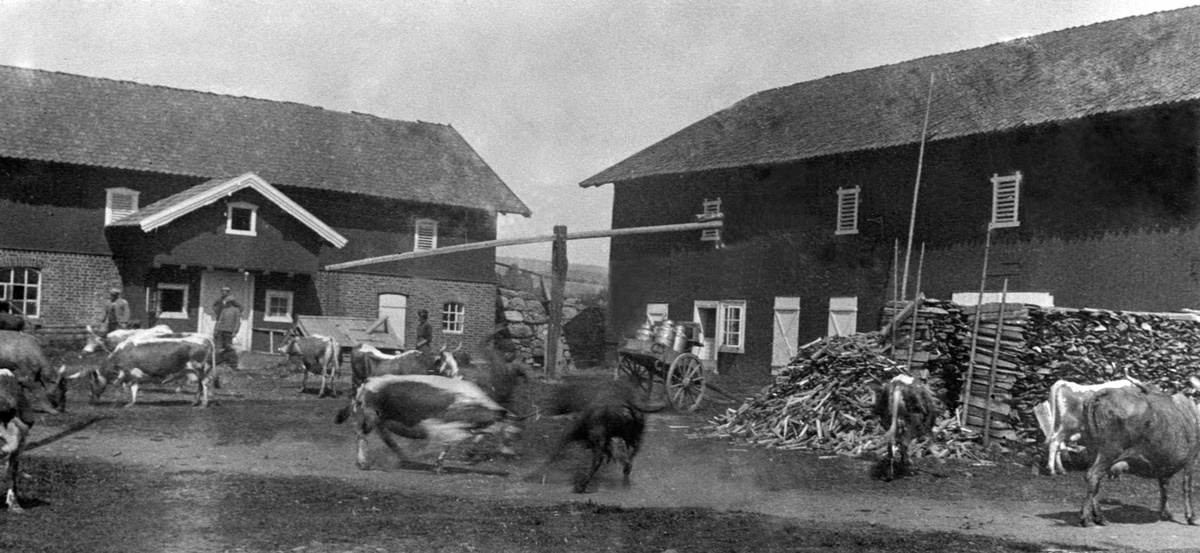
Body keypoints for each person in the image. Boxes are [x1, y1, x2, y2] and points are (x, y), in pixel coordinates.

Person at [212, 286, 243, 370]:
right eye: (223, 291)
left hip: (229, 331)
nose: (224, 293)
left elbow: (237, 322)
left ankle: (233, 364)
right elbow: (219, 320)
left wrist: (235, 331)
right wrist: (216, 329)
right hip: (221, 329)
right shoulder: (223, 309)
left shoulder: (236, 310)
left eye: (226, 291)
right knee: (219, 346)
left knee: (228, 347)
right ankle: (218, 362)